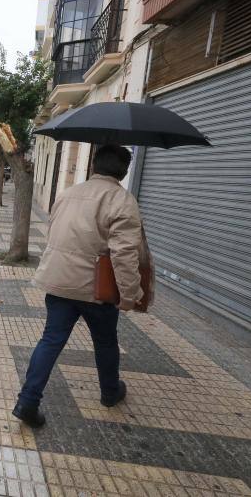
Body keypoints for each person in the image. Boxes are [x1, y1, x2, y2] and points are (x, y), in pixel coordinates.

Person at [12, 144, 148, 428]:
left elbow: (54, 232)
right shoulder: (122, 201)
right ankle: (110, 392)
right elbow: (125, 255)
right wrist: (131, 294)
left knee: (50, 340)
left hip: (59, 282)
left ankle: (28, 400)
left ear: (93, 165)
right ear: (123, 171)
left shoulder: (67, 194)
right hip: (95, 290)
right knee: (105, 341)